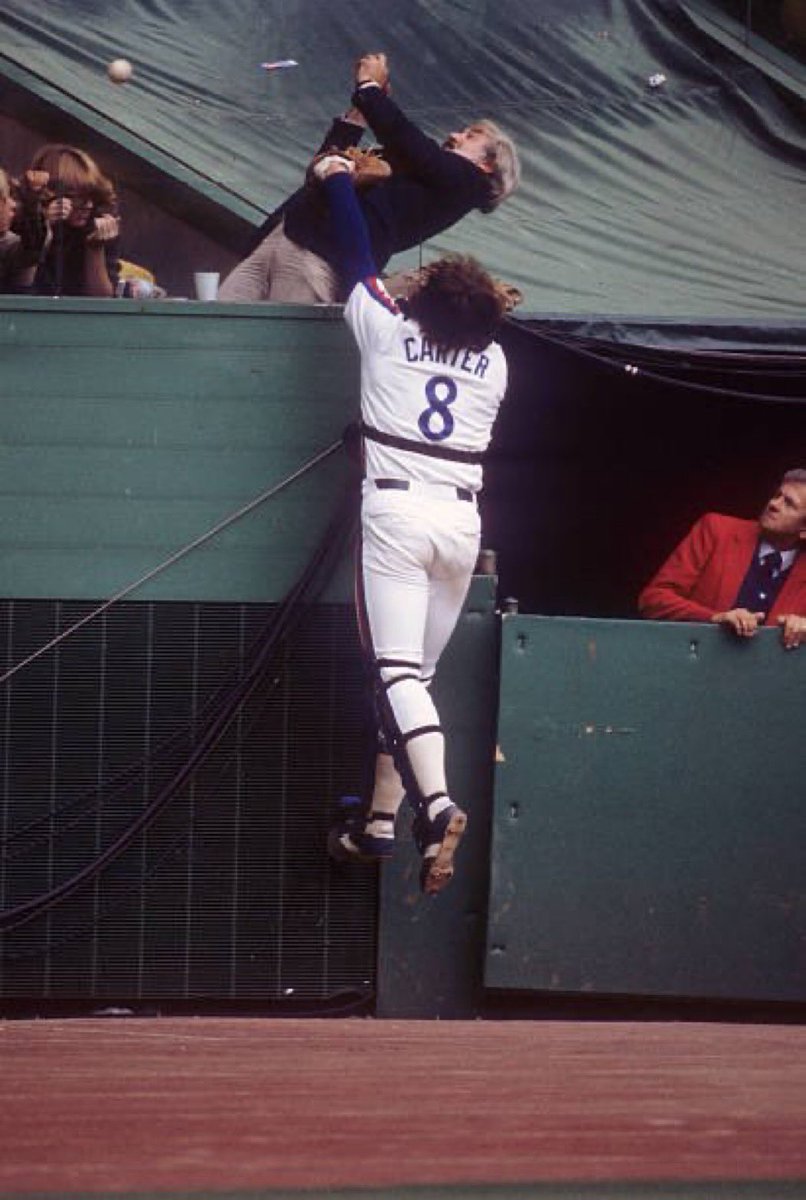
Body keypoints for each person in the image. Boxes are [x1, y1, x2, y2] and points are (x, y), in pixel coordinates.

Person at [317, 151, 509, 894]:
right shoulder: (495, 364)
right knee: (415, 682)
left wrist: (337, 178)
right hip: (461, 524)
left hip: (397, 511)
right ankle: (381, 824)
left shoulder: (385, 329)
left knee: (397, 675)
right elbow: (470, 324)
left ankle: (436, 805)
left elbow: (358, 253)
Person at [219, 52, 520, 304]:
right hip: (285, 236)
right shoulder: (421, 167)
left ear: (488, 164)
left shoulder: (465, 182)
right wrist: (358, 115)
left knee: (269, 341)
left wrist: (369, 88)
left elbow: (408, 139)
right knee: (218, 319)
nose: (454, 135)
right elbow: (323, 167)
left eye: (470, 135)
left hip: (318, 258)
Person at [638, 470, 806, 649]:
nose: (773, 503)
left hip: (768, 675)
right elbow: (653, 599)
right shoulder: (716, 531)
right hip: (694, 664)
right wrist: (715, 618)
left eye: (788, 504)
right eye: (777, 495)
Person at [19, 145, 120, 297]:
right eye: (76, 196)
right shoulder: (20, 222)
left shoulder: (96, 225)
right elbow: (20, 290)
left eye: (91, 196)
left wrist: (95, 249)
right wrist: (41, 228)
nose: (88, 205)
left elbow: (101, 301)